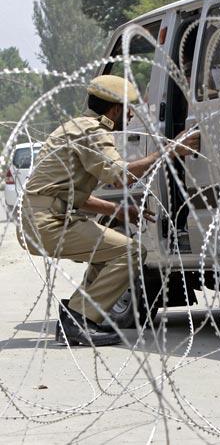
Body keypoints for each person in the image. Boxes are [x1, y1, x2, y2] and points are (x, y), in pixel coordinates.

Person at [20, 75, 199, 346]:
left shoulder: (73, 127)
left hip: (40, 218)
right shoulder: (93, 131)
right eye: (127, 109)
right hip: (50, 223)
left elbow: (68, 193)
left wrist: (117, 210)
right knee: (131, 251)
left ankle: (77, 315)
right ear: (114, 109)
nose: (129, 116)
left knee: (108, 250)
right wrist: (171, 150)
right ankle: (79, 318)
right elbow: (122, 175)